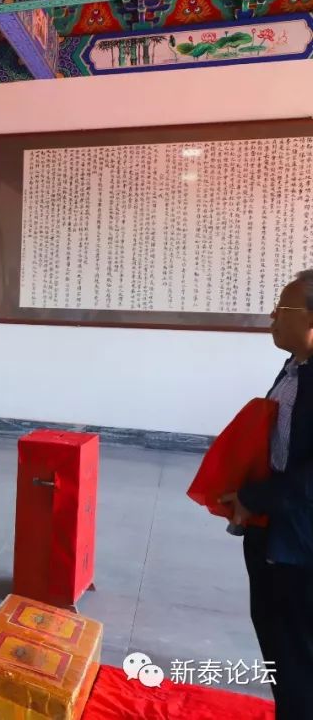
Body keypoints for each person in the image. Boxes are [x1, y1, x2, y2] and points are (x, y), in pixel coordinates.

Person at [222, 270, 313, 720]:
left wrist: (256, 497)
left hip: (301, 545)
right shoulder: (296, 364)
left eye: (284, 309)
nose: (273, 317)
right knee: (280, 649)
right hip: (273, 532)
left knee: (297, 655)